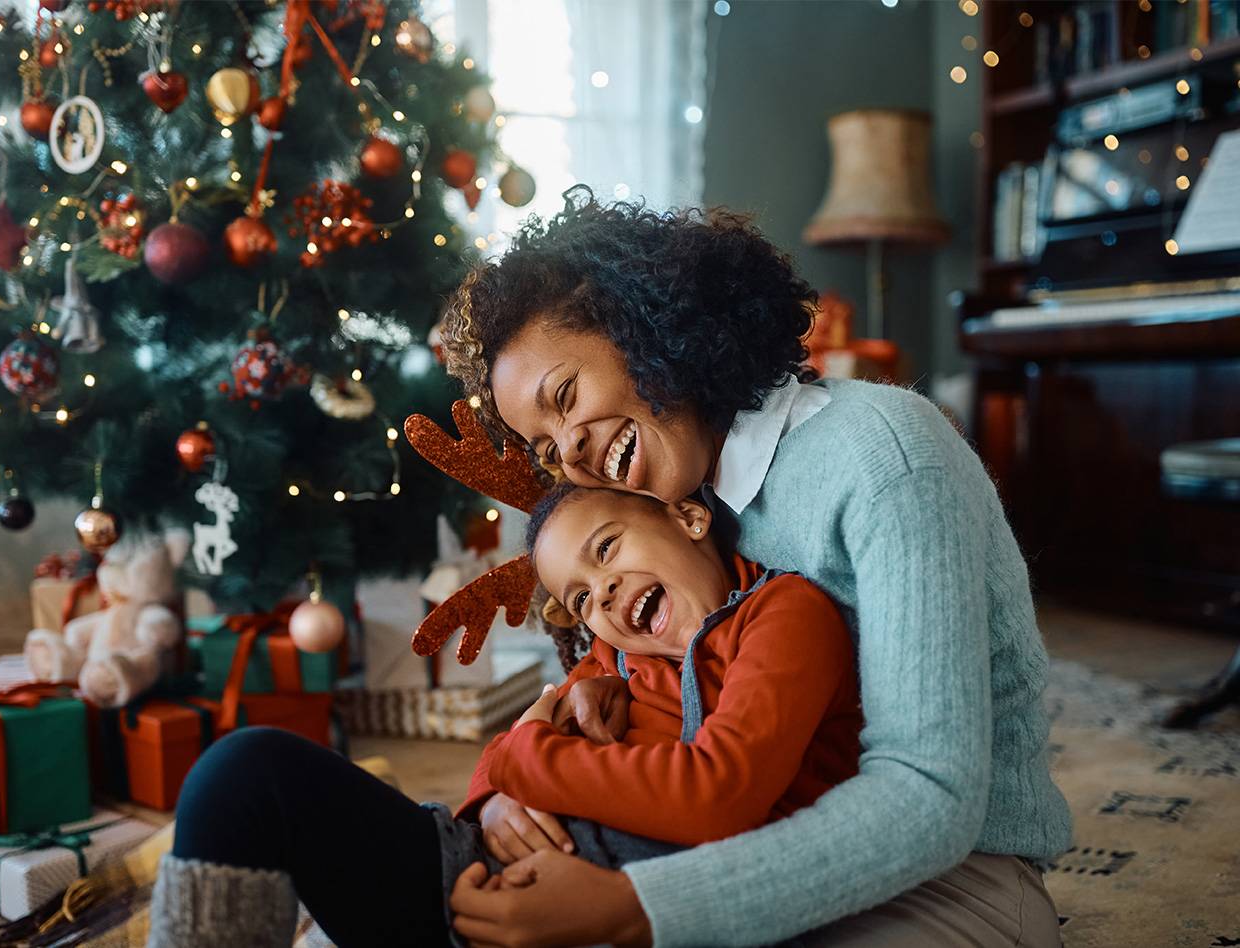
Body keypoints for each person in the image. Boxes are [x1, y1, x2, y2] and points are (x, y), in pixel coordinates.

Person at [439, 187, 1071, 948]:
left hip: (955, 875)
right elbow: (571, 701)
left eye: (566, 397)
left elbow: (930, 797)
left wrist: (639, 907)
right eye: (546, 448)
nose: (568, 452)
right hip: (745, 843)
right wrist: (499, 803)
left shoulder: (885, 457)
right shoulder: (673, 503)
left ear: (641, 326)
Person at [146, 482, 862, 948]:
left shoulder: (783, 613)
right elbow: (509, 752)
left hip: (622, 911)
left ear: (690, 515)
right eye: (581, 600)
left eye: (607, 548)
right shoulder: (614, 654)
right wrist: (492, 796)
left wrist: (525, 754)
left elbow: (719, 796)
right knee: (245, 770)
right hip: (473, 880)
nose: (604, 596)